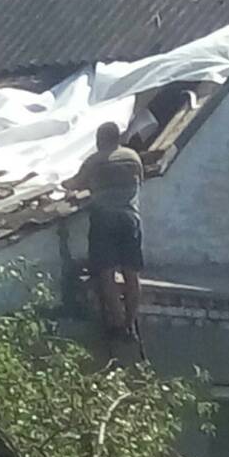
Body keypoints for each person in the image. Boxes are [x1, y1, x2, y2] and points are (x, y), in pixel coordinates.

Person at [63, 122, 144, 340]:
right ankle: (131, 323)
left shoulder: (95, 161)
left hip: (104, 220)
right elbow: (138, 184)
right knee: (131, 273)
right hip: (130, 219)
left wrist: (65, 185)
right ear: (118, 138)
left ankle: (117, 322)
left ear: (99, 140)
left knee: (105, 272)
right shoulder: (133, 157)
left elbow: (75, 184)